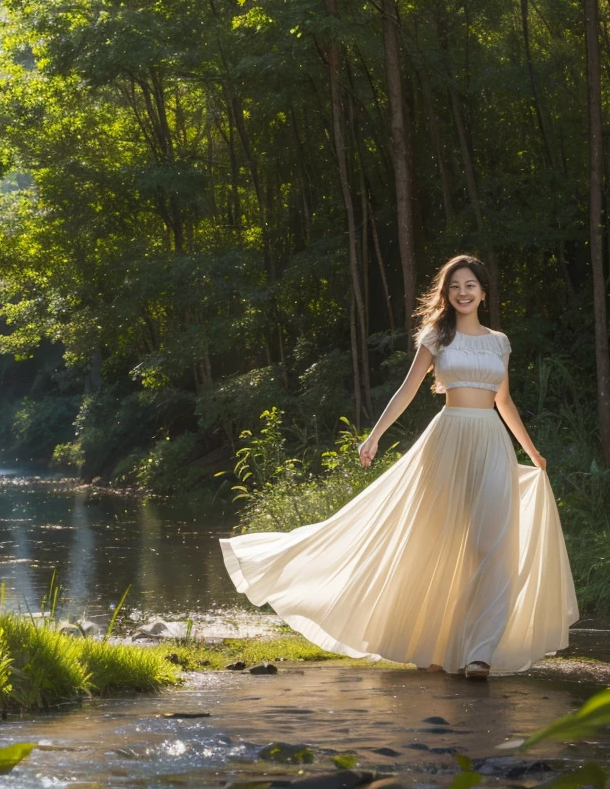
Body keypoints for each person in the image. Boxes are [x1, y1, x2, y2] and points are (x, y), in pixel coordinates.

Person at [219, 254, 578, 678]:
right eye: (455, 286)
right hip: (447, 440)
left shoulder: (499, 342)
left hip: (492, 443)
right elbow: (408, 390)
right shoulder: (436, 337)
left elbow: (504, 401)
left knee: (493, 545)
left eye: (470, 285)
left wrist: (531, 452)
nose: (463, 293)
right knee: (441, 543)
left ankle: (479, 652)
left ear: (484, 291)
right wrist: (375, 435)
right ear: (446, 294)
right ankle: (441, 643)